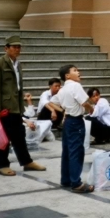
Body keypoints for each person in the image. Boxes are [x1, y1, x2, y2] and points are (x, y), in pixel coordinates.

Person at [0, 35, 46, 176]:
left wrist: (22, 106)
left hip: (16, 107)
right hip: (4, 107)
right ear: (6, 48)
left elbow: (19, 87)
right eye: (14, 47)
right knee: (3, 137)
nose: (17, 49)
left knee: (19, 136)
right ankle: (2, 165)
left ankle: (26, 162)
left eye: (19, 47)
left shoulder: (18, 64)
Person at [45, 65, 95, 193]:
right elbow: (84, 102)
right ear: (67, 75)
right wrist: (91, 108)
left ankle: (66, 179)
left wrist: (65, 110)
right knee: (76, 152)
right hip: (76, 121)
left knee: (67, 151)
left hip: (68, 121)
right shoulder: (75, 86)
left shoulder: (62, 90)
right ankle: (76, 183)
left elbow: (51, 102)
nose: (79, 72)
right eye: (75, 70)